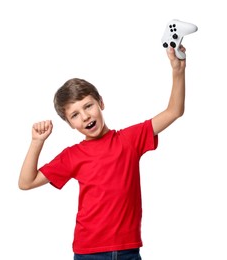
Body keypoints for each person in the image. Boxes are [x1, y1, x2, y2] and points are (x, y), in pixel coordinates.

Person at [19, 45, 186, 260]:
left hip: (128, 250)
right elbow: (26, 182)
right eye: (75, 115)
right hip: (88, 252)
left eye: (88, 106)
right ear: (70, 124)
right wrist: (36, 142)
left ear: (101, 103)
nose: (85, 116)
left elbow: (174, 111)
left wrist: (178, 71)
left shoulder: (130, 139)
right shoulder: (72, 155)